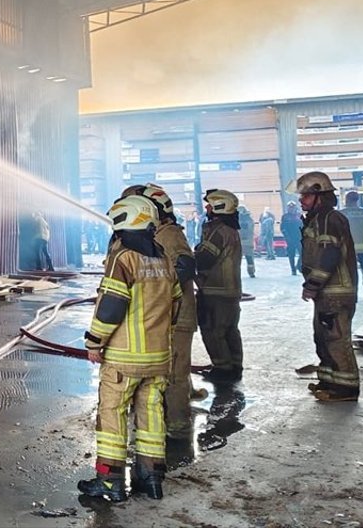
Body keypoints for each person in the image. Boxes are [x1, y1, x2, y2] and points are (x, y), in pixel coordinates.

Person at [77, 195, 180, 502]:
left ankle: (110, 482)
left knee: (112, 414)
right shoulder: (162, 257)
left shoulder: (123, 258)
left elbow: (112, 306)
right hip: (158, 357)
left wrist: (95, 342)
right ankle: (150, 477)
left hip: (124, 358)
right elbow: (176, 303)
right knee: (151, 415)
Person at [123, 185, 203, 440]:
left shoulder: (169, 234)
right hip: (163, 317)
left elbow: (185, 264)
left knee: (175, 373)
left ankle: (178, 425)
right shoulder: (153, 234)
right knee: (166, 370)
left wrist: (156, 285)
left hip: (177, 318)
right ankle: (164, 416)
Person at [290, 172, 361, 401]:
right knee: (322, 338)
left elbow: (329, 253)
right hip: (326, 293)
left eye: (306, 196)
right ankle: (330, 381)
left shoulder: (330, 218)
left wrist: (313, 283)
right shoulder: (318, 219)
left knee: (336, 339)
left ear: (319, 196)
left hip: (336, 292)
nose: (301, 200)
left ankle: (346, 389)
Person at [195, 189, 244, 382]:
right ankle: (234, 366)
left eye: (209, 204)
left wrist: (189, 258)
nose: (207, 207)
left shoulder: (217, 231)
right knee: (230, 330)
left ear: (219, 207)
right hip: (231, 290)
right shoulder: (231, 230)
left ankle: (222, 369)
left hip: (215, 291)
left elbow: (204, 258)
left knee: (213, 331)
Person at [281, 201, 304, 275]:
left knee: (303, 253)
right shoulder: (285, 217)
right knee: (291, 255)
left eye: (293, 207)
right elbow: (283, 228)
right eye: (290, 207)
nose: (291, 209)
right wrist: (286, 237)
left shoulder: (299, 215)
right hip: (290, 238)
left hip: (299, 238)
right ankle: (293, 269)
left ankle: (298, 265)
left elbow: (303, 226)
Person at [237, 205, 256, 277]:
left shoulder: (237, 219)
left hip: (242, 242)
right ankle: (251, 272)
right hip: (245, 242)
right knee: (248, 258)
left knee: (245, 259)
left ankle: (250, 272)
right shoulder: (249, 219)